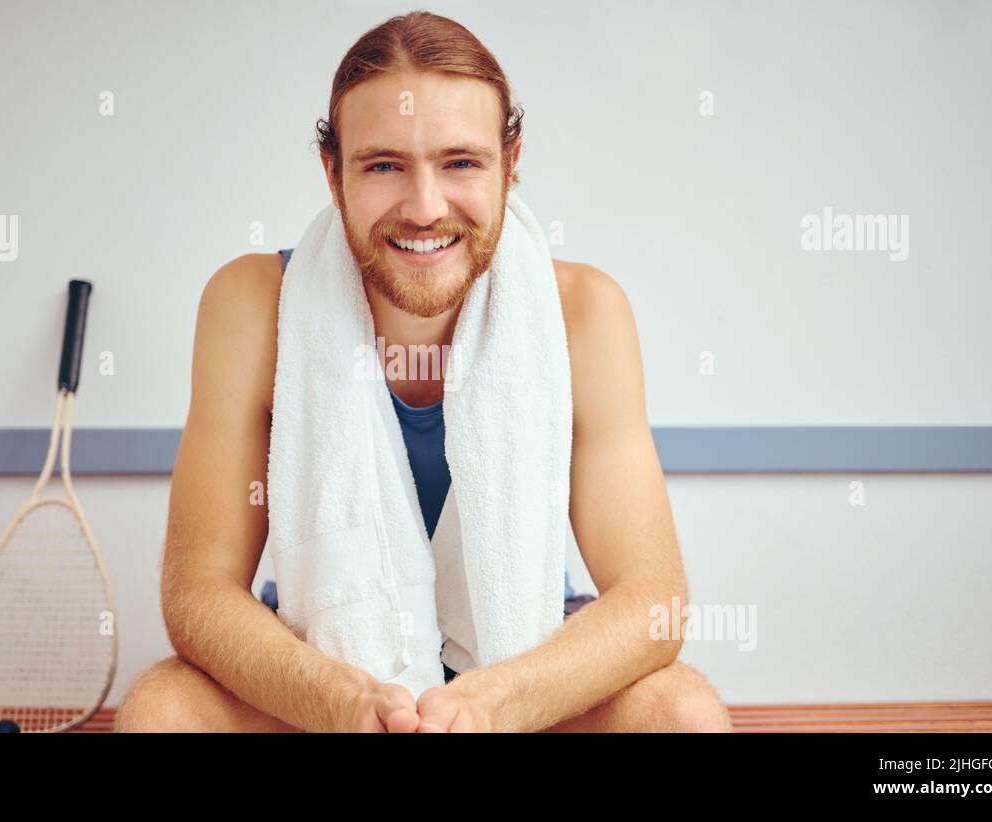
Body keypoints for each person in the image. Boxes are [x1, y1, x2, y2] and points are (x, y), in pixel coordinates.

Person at [116, 10, 732, 732]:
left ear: (512, 163)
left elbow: (652, 603)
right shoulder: (252, 305)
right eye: (384, 165)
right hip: (329, 666)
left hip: (517, 666)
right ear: (332, 172)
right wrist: (344, 701)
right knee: (161, 711)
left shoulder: (584, 313)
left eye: (461, 163)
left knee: (682, 711)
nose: (425, 207)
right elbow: (198, 595)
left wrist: (491, 702)